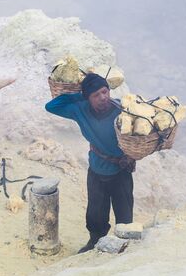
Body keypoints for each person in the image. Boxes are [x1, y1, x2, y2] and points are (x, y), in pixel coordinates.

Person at [45, 73, 136, 253]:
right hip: (97, 169)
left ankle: (123, 247)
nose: (103, 97)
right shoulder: (80, 109)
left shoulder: (122, 110)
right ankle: (94, 242)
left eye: (105, 91)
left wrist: (131, 155)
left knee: (124, 214)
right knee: (95, 214)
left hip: (120, 171)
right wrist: (81, 93)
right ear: (88, 98)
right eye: (96, 95)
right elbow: (51, 106)